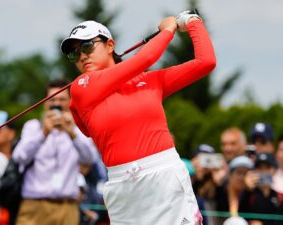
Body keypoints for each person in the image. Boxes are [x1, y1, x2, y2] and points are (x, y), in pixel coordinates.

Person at [60, 9, 216, 225]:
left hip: (165, 176)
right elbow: (146, 57)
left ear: (110, 45)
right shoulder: (80, 88)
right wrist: (169, 29)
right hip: (122, 187)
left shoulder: (151, 81)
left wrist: (192, 21)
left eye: (87, 46)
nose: (82, 56)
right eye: (74, 53)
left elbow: (205, 62)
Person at [12, 79, 97, 225]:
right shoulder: (33, 126)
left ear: (70, 102)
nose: (56, 103)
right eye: (52, 99)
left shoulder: (78, 129)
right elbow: (19, 157)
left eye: (62, 99)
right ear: (45, 102)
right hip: (35, 205)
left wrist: (72, 133)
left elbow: (90, 158)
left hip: (67, 206)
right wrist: (43, 133)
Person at [239, 153, 283, 225]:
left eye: (267, 168)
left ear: (274, 170)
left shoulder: (279, 196)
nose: (263, 171)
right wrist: (247, 190)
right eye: (260, 168)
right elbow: (241, 215)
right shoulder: (248, 194)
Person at [214, 156, 253, 224]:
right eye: (238, 172)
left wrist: (249, 190)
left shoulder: (251, 195)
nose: (242, 177)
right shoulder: (218, 191)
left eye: (245, 173)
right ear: (230, 175)